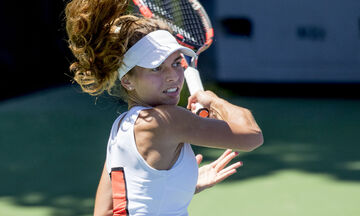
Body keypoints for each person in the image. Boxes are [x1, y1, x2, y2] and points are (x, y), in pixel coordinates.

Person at [65, 0, 263, 215]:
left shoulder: (120, 128)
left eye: (176, 63)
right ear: (127, 80)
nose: (172, 76)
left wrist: (180, 188)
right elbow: (252, 136)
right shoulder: (167, 120)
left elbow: (105, 212)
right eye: (156, 68)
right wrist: (214, 100)